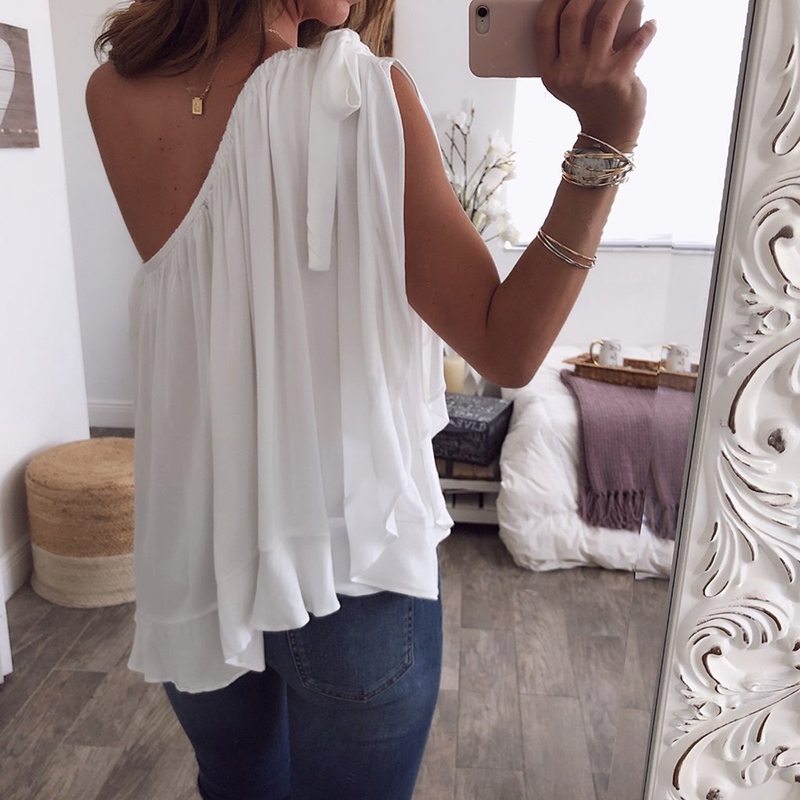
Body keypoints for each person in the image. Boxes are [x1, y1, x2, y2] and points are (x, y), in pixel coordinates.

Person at [85, 0, 655, 798]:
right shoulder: (362, 97)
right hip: (348, 564)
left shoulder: (112, 92)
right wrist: (605, 140)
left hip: (195, 554)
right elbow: (508, 346)